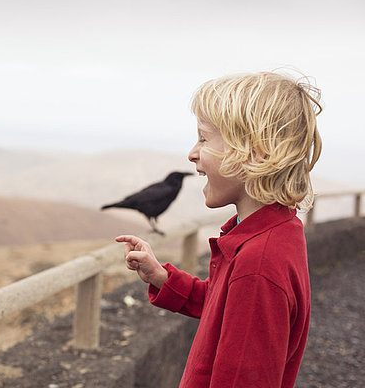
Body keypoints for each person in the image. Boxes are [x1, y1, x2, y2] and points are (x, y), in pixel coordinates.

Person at [116, 71, 322, 387]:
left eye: (203, 138)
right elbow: (224, 305)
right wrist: (162, 278)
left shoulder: (259, 263)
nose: (192, 153)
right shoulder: (272, 233)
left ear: (256, 152)